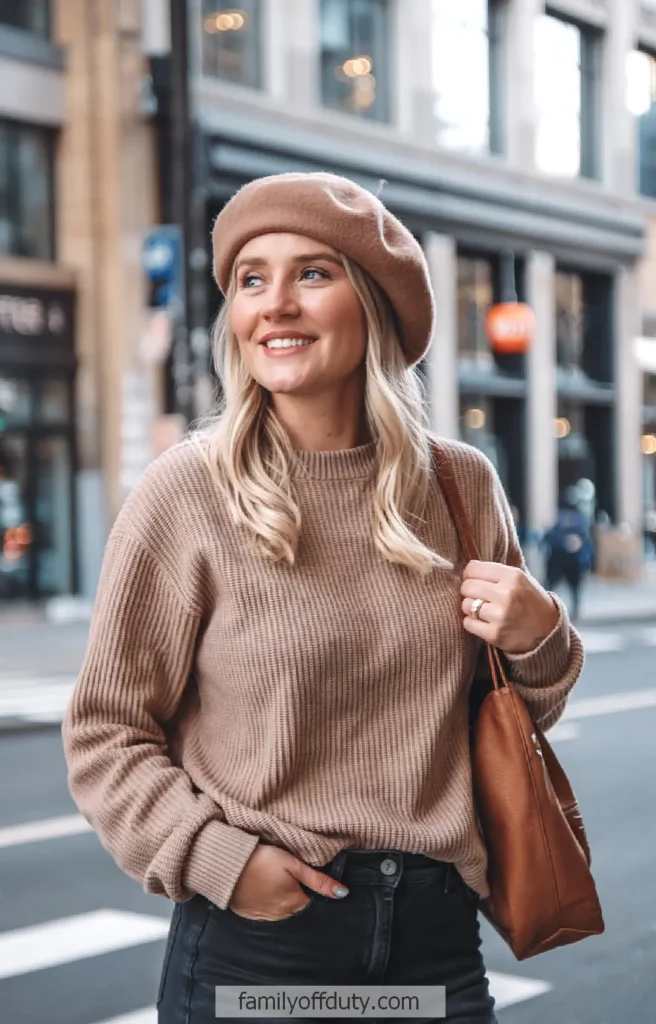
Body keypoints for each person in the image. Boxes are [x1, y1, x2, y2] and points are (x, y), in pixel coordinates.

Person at [62, 172, 584, 1024]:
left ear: (372, 303)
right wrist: (219, 859)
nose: (275, 305)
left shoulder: (459, 486)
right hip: (264, 943)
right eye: (250, 280)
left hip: (434, 939)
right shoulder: (186, 493)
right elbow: (106, 731)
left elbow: (513, 716)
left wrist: (540, 638)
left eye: (312, 273)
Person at [542, 496, 595, 621]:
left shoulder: (560, 519)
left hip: (561, 558)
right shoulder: (578, 521)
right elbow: (586, 542)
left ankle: (547, 609)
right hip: (570, 559)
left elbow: (550, 538)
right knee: (573, 587)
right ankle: (573, 610)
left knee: (554, 585)